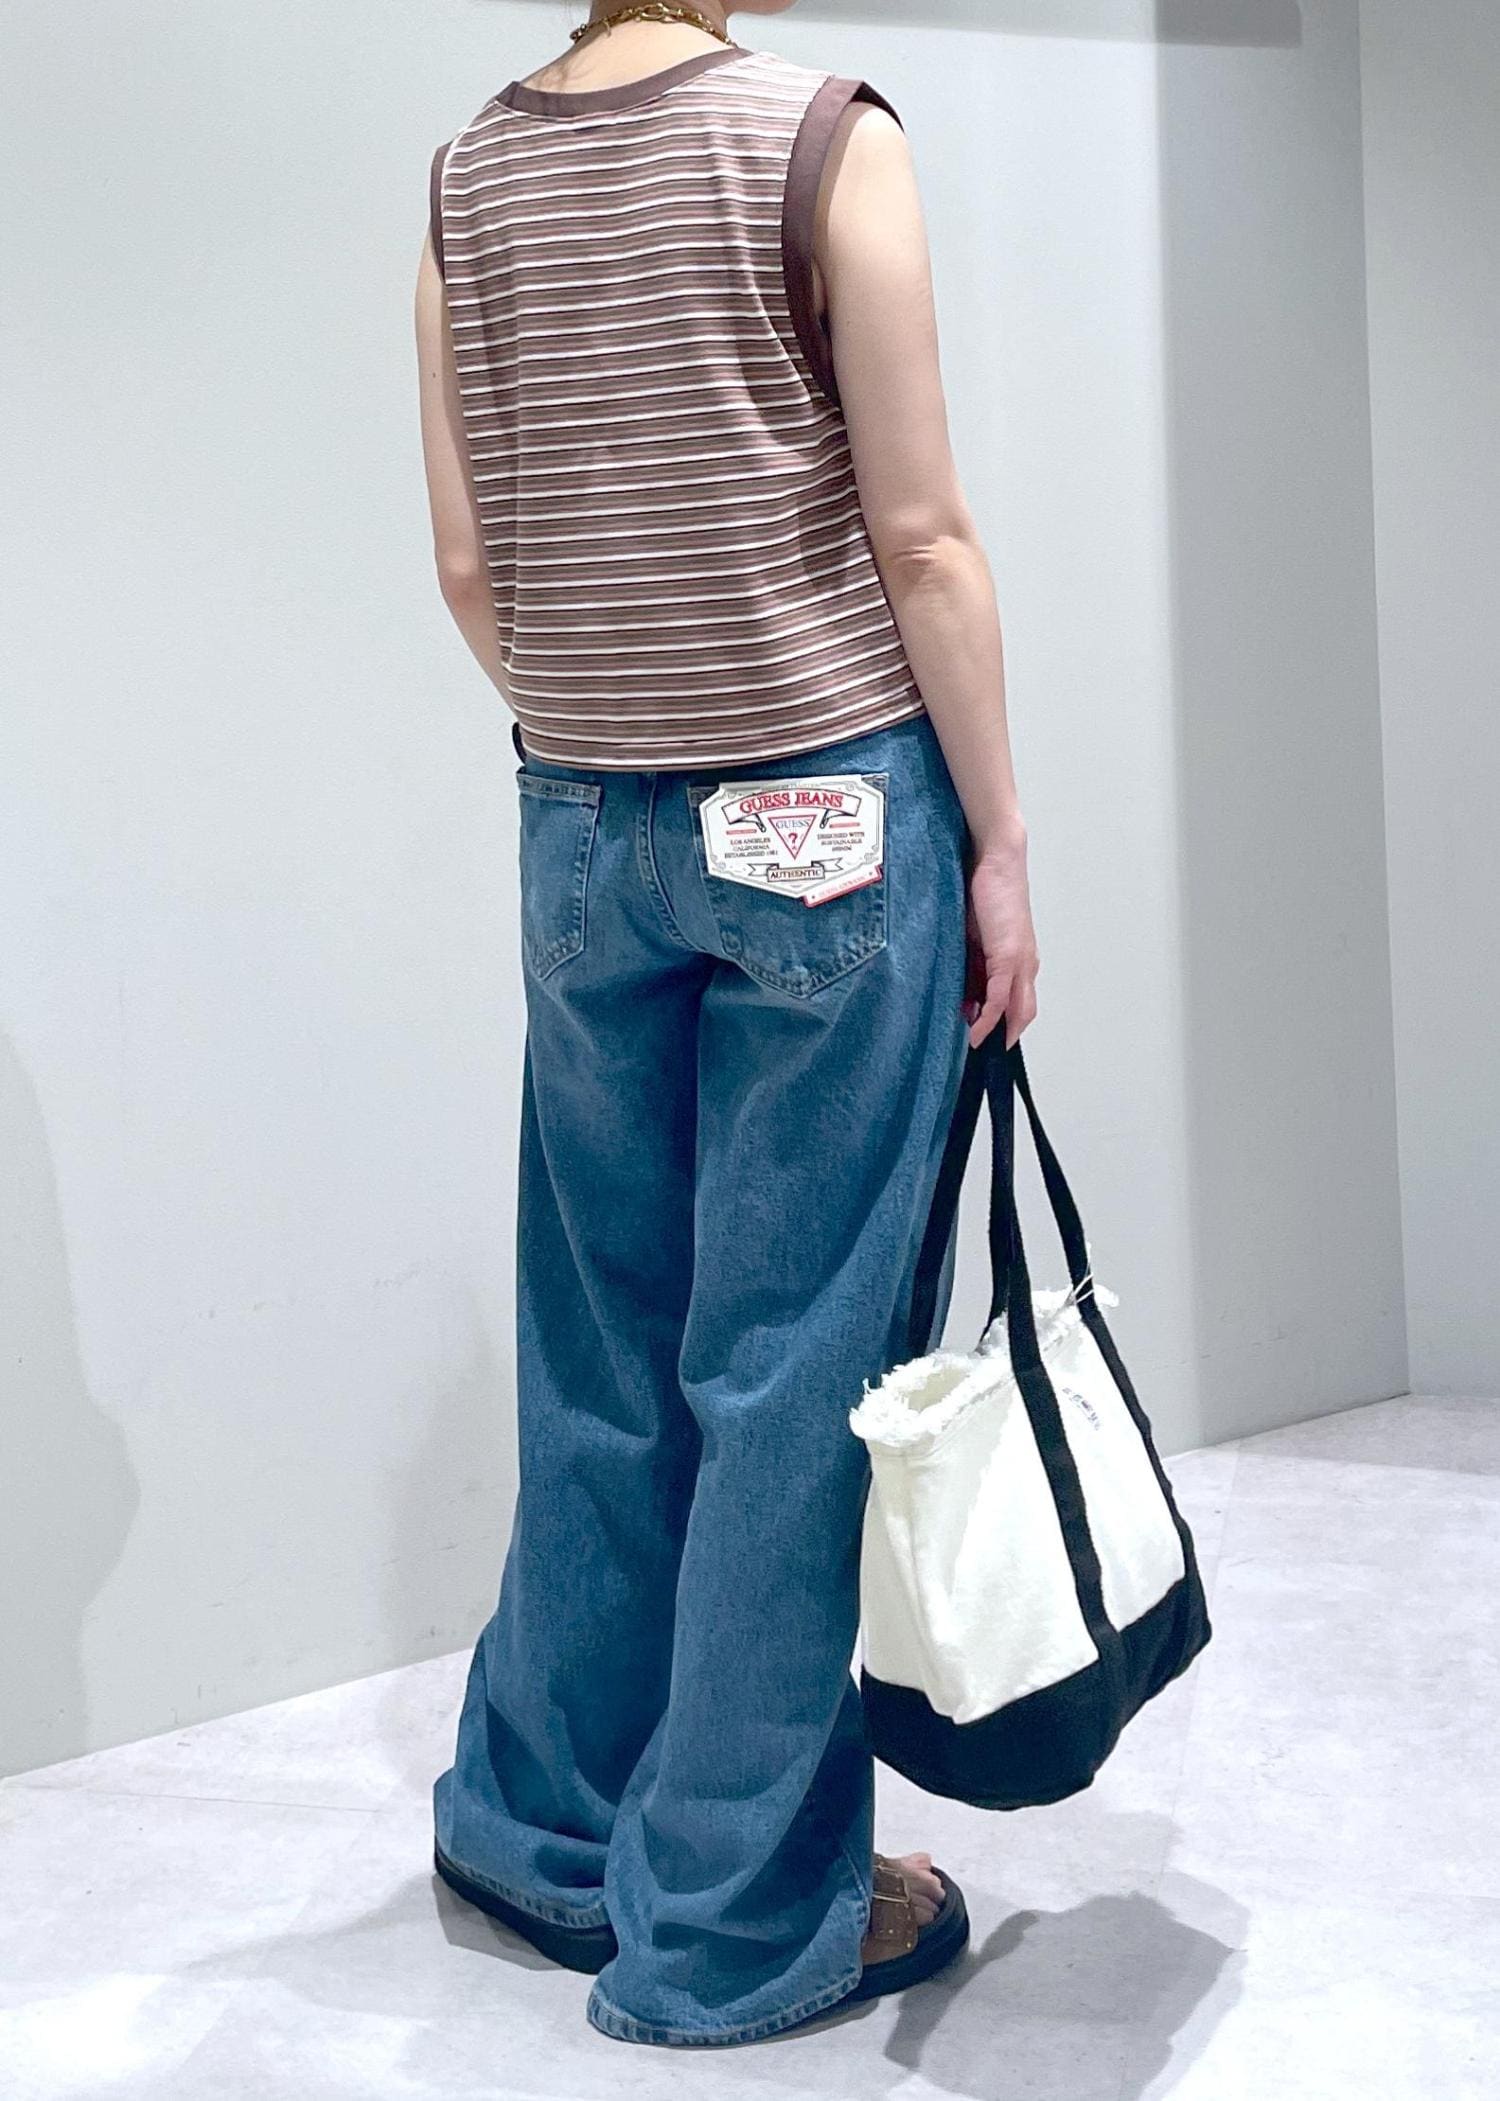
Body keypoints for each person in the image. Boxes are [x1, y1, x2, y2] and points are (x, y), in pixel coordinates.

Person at [415, 0, 1039, 2049]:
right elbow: (921, 538)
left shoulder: (468, 176)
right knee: (791, 1367)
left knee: (601, 1343)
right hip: (826, 821)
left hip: (579, 818)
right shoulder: (823, 138)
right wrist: (1001, 841)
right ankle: (735, 1917)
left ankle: (548, 1827)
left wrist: (617, 751)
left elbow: (470, 565)